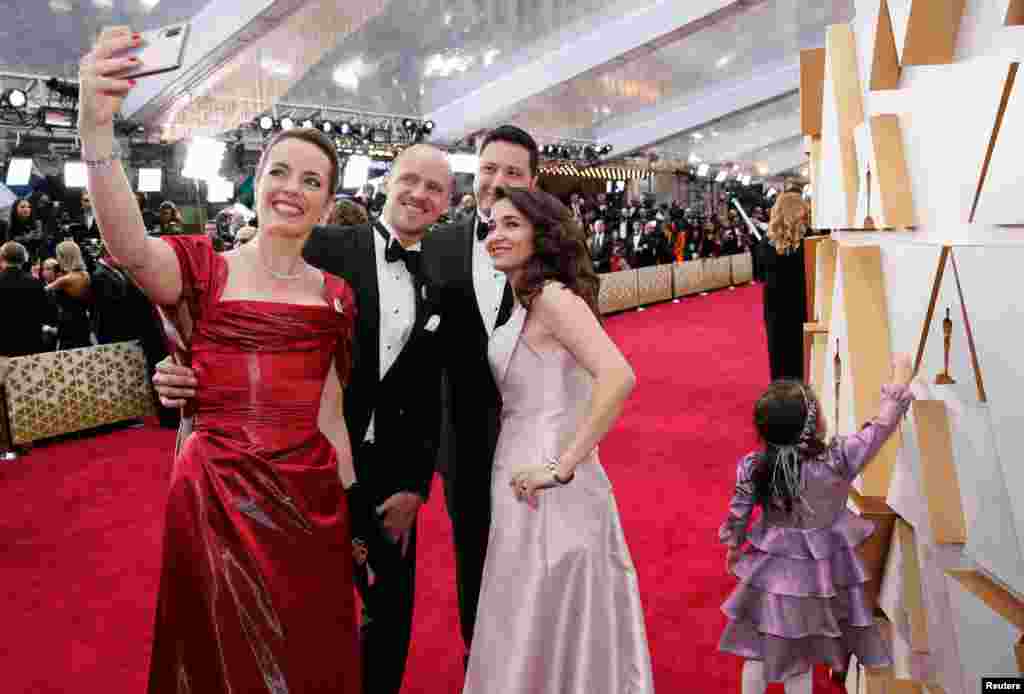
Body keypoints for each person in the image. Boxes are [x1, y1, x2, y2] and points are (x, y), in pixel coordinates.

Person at [79, 27, 368, 693]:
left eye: (312, 180)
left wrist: (353, 523)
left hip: (310, 507)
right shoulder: (201, 268)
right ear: (256, 182)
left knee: (305, 658)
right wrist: (97, 131)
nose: (292, 188)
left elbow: (331, 416)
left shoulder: (337, 297)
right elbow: (128, 246)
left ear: (327, 202)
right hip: (215, 501)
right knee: (219, 661)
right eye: (279, 172)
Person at [152, 142, 451, 694]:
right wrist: (180, 366)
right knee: (290, 622)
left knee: (387, 617)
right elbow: (227, 306)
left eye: (435, 188)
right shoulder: (319, 238)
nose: (419, 195)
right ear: (385, 182)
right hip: (302, 470)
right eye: (410, 180)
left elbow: (436, 385)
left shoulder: (445, 270)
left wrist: (417, 483)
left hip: (391, 477)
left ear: (448, 202)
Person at [462, 187, 653, 693]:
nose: (496, 235)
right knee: (525, 606)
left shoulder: (552, 297)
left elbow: (618, 374)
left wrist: (565, 464)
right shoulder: (527, 297)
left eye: (511, 225)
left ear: (541, 234)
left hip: (550, 480)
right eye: (492, 225)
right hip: (518, 471)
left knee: (546, 604)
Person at [717, 357, 914, 693]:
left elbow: (739, 513)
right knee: (801, 660)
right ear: (816, 423)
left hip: (770, 575)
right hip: (820, 579)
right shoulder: (839, 460)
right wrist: (898, 378)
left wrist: (734, 548)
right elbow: (880, 428)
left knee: (758, 650)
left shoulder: (755, 466)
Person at [427, 124, 538, 659]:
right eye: (489, 168)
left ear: (532, 182)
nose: (497, 180)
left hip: (536, 438)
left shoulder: (551, 252)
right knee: (472, 553)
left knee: (535, 555)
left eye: (512, 172)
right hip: (463, 438)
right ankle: (482, 660)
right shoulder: (440, 241)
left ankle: (532, 658)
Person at [761, 193, 809, 381]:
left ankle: (781, 399)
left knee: (779, 358)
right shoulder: (809, 243)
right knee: (801, 360)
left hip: (775, 311)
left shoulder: (766, 244)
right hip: (802, 308)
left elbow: (759, 273)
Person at [0, 241, 56, 357]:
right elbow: (49, 315)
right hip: (31, 345)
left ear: (2, 257)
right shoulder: (35, 283)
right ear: (24, 258)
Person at [46, 240, 93, 350]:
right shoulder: (85, 274)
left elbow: (42, 292)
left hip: (68, 324)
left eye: (58, 256)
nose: (57, 260)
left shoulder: (66, 279)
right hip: (83, 320)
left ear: (63, 257)